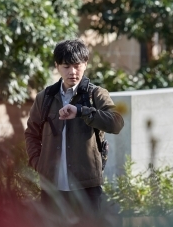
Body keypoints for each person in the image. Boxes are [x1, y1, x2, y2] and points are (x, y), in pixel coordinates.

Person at [25, 38, 124, 215]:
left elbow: (117, 123)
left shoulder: (96, 94)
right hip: (52, 187)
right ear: (57, 66)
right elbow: (31, 133)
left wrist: (82, 111)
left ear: (85, 64)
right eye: (66, 66)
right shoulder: (45, 97)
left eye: (77, 65)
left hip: (87, 187)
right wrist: (37, 162)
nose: (72, 72)